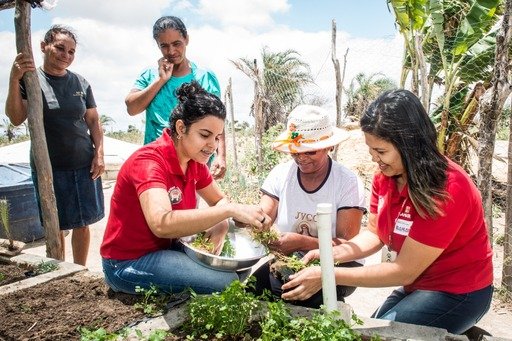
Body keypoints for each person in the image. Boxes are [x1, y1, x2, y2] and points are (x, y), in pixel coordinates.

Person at [280, 90, 493, 334]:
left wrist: (328, 273)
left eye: (381, 152)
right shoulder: (386, 177)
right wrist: (329, 253)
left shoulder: (448, 189)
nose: (375, 160)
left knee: (380, 335)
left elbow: (404, 270)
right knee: (370, 330)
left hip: (458, 292)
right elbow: (375, 234)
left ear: (410, 144)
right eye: (371, 151)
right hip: (417, 284)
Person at [100, 81, 272, 295]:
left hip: (167, 250)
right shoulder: (149, 162)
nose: (213, 145)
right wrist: (228, 212)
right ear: (181, 128)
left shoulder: (194, 163)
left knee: (240, 268)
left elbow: (219, 200)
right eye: (205, 135)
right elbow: (161, 224)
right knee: (228, 281)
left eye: (217, 137)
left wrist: (222, 224)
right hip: (128, 263)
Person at [5, 25, 105, 266]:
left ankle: (79, 271)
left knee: (83, 223)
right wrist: (13, 78)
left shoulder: (80, 82)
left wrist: (99, 154)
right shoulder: (30, 79)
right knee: (55, 224)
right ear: (43, 46)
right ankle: (57, 269)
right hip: (49, 167)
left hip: (83, 164)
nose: (66, 55)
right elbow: (16, 117)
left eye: (71, 52)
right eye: (60, 48)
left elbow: (92, 120)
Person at [250, 105, 366, 308]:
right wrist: (256, 222)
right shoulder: (281, 175)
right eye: (295, 151)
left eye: (310, 152)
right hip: (289, 257)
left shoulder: (347, 183)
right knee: (252, 289)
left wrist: (301, 242)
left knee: (294, 288)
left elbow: (347, 244)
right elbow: (264, 214)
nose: (301, 158)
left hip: (340, 263)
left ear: (328, 147)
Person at [124, 15, 226, 180]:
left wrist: (221, 156)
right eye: (164, 46)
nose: (171, 51)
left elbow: (218, 119)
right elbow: (132, 108)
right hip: (157, 158)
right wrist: (161, 80)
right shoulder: (149, 75)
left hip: (194, 159)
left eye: (176, 44)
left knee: (188, 204)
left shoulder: (204, 77)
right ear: (158, 45)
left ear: (186, 39)